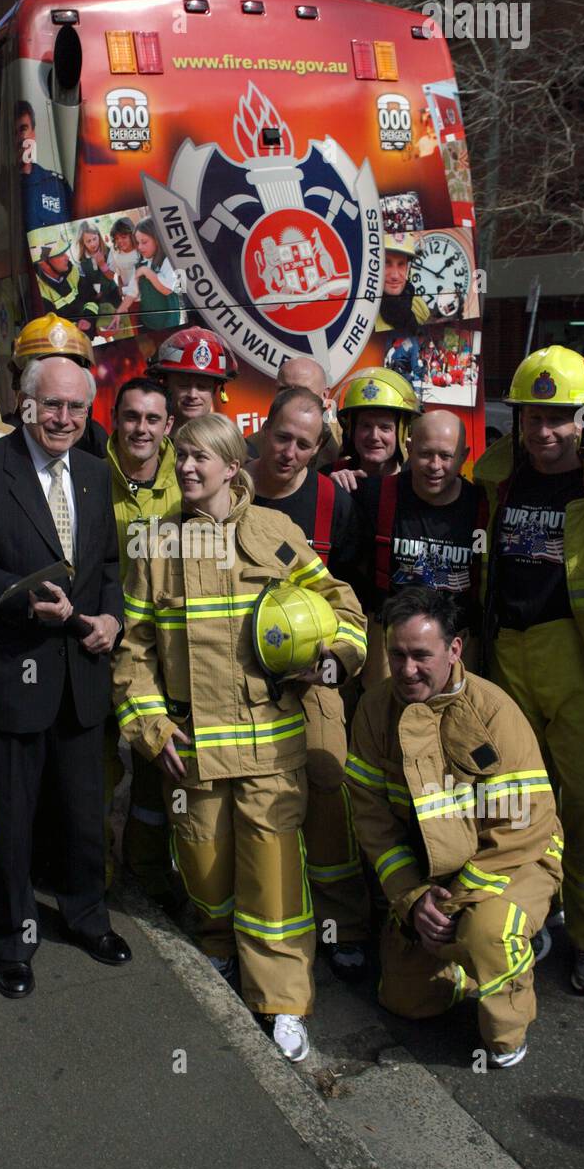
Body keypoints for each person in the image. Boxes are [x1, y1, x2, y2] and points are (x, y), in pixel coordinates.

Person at [113, 413, 367, 1061]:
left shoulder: (272, 532)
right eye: (182, 457)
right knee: (202, 866)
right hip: (191, 748)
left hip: (270, 743)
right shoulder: (154, 546)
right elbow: (134, 650)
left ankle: (281, 1000)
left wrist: (335, 656)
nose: (189, 468)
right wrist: (149, 725)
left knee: (274, 880)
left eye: (202, 458)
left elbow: (341, 607)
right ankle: (219, 951)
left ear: (233, 468)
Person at [0, 355, 129, 999]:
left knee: (81, 813)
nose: (63, 419)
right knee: (10, 820)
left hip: (82, 676)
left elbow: (105, 565)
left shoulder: (98, 476)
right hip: (7, 677)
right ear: (24, 402)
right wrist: (20, 594)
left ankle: (86, 916)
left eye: (76, 408)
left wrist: (112, 622)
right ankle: (12, 937)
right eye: (52, 406)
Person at [347, 587, 564, 1068]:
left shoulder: (494, 713)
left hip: (511, 862)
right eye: (397, 654)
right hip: (432, 873)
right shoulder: (374, 710)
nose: (407, 670)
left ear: (454, 649)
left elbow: (527, 825)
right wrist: (412, 898)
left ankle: (510, 1018)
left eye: (421, 656)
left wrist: (458, 900)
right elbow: (373, 820)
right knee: (405, 1001)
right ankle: (465, 964)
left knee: (487, 932)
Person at [475, 346, 584, 996]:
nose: (545, 432)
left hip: (575, 663)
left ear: (581, 417)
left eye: (559, 418)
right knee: (517, 806)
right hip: (507, 654)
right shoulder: (494, 475)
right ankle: (527, 921)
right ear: (521, 417)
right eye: (534, 417)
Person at [248, 386, 369, 979]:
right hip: (240, 679)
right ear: (262, 432)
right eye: (281, 437)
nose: (290, 452)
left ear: (320, 448)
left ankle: (340, 925)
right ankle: (255, 920)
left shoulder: (332, 502)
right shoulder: (228, 488)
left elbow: (350, 599)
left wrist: (331, 665)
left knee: (328, 779)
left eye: (304, 443)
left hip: (314, 679)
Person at [107, 376, 182, 906]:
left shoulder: (191, 473)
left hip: (169, 649)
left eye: (153, 419)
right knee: (99, 768)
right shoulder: (88, 473)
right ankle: (100, 869)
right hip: (100, 639)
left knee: (158, 765)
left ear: (168, 426)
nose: (142, 428)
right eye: (132, 416)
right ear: (115, 418)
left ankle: (149, 869)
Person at [351, 410, 487, 686]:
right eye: (425, 454)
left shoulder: (482, 507)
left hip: (456, 645)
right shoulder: (374, 496)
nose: (435, 465)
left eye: (446, 456)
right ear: (409, 449)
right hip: (390, 646)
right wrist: (335, 474)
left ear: (464, 455)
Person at [10, 314, 109, 457]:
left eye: (76, 406)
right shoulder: (2, 443)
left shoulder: (95, 439)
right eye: (51, 403)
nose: (63, 419)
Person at [330, 365, 420, 493]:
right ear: (351, 430)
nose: (374, 436)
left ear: (402, 433)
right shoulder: (331, 476)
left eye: (385, 428)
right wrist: (328, 491)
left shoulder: (417, 486)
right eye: (366, 426)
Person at [245, 355, 342, 466]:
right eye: (284, 390)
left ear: (324, 395)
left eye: (302, 391)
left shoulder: (345, 440)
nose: (291, 398)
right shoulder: (251, 449)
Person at [147, 326, 239, 424]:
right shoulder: (147, 436)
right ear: (165, 384)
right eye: (183, 385)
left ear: (214, 390)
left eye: (202, 386)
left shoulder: (226, 438)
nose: (192, 395)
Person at [107, 218, 182, 335]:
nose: (140, 247)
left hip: (168, 322)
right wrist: (119, 312)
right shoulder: (141, 264)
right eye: (137, 243)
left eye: (144, 242)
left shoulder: (168, 260)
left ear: (157, 239)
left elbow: (167, 290)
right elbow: (132, 292)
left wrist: (146, 271)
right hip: (147, 322)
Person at [15, 98, 72, 234]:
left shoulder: (58, 186)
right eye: (13, 132)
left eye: (24, 129)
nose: (20, 138)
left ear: (33, 133)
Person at [31, 232, 99, 337]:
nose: (67, 257)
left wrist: (88, 319)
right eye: (60, 254)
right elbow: (50, 331)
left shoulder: (73, 272)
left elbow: (91, 298)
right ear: (43, 262)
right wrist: (76, 327)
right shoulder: (37, 292)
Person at [375, 233, 431, 333]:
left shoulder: (419, 307)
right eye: (386, 263)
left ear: (407, 269)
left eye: (401, 264)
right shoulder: (362, 310)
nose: (395, 276)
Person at [75, 220, 121, 315]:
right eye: (88, 241)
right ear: (82, 242)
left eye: (94, 239)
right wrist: (94, 293)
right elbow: (85, 282)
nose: (93, 244)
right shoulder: (82, 260)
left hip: (113, 293)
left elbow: (111, 276)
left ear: (99, 236)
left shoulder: (108, 251)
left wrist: (102, 265)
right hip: (97, 299)